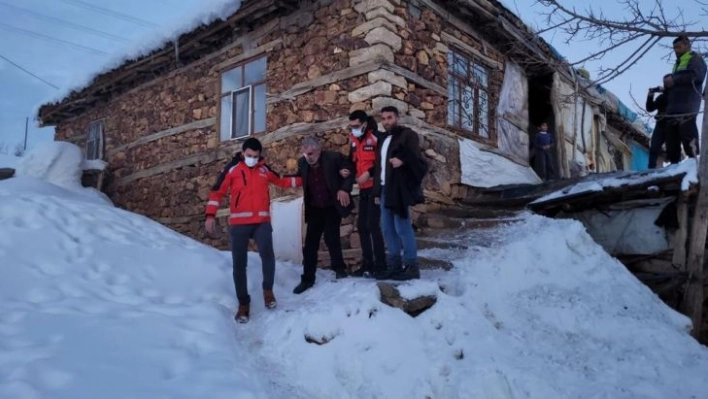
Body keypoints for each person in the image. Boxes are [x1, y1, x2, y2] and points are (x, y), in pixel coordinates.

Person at [204, 138, 301, 323]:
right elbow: (217, 192)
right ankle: (243, 304)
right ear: (243, 152)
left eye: (256, 156)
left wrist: (303, 179)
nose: (252, 159)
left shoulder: (264, 169)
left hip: (261, 222)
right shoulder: (232, 169)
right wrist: (210, 215)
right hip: (239, 225)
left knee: (268, 256)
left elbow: (281, 181)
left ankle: (268, 292)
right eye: (249, 156)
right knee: (239, 264)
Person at [291, 136, 355, 294]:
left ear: (319, 150)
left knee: (331, 237)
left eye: (311, 153)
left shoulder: (333, 158)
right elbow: (299, 178)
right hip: (314, 208)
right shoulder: (302, 163)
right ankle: (307, 279)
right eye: (305, 154)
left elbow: (350, 169)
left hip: (331, 205)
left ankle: (340, 270)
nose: (308, 157)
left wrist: (344, 189)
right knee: (310, 244)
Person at [373, 106, 428, 281]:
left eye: (389, 118)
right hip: (384, 190)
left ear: (397, 118)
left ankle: (412, 267)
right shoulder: (382, 139)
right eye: (383, 118)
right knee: (387, 229)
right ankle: (395, 266)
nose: (386, 121)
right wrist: (376, 191)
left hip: (398, 190)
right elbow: (378, 168)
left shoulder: (407, 135)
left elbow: (419, 161)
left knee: (402, 228)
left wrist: (403, 160)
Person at [339, 110, 387, 278]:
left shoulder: (377, 137)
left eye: (357, 126)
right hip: (363, 188)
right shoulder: (352, 140)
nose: (354, 129)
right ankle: (368, 264)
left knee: (373, 225)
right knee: (362, 227)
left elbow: (383, 161)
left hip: (375, 187)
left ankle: (381, 266)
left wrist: (369, 172)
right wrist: (346, 169)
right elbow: (351, 161)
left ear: (365, 124)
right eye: (351, 126)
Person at [663, 35, 707, 163]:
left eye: (679, 47)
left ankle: (694, 165)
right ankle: (673, 168)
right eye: (674, 48)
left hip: (687, 106)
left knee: (688, 137)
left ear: (687, 46)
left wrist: (674, 79)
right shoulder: (678, 63)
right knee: (671, 141)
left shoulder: (695, 58)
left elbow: (697, 75)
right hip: (673, 108)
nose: (676, 50)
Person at [646, 77, 670, 169]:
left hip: (672, 125)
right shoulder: (662, 97)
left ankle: (674, 167)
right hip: (660, 125)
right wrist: (650, 95)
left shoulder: (675, 95)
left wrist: (665, 91)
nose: (666, 84)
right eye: (665, 82)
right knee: (654, 148)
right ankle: (651, 168)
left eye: (668, 82)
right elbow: (650, 108)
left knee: (672, 149)